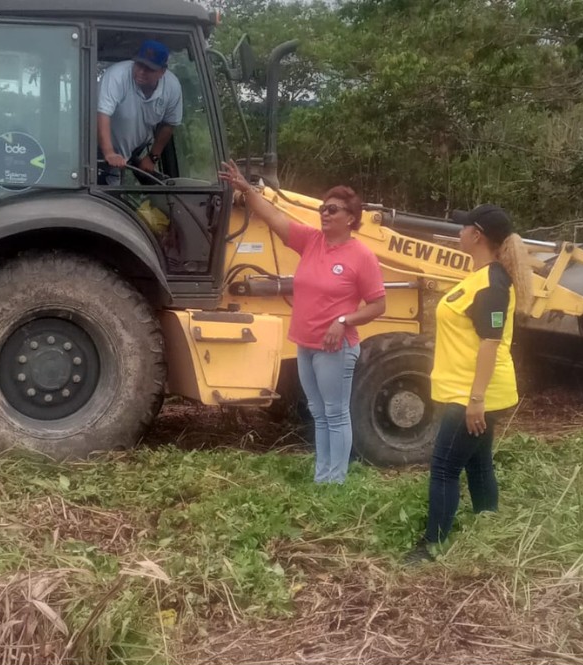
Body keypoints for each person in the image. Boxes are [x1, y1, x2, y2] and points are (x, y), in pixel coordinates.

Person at [219, 160, 386, 483]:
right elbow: (273, 217)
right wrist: (246, 189)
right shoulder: (311, 241)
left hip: (335, 348)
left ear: (351, 218)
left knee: (335, 413)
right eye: (323, 208)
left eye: (333, 209)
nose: (325, 213)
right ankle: (323, 476)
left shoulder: (361, 256)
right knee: (318, 413)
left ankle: (335, 480)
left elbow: (378, 305)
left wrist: (343, 320)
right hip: (306, 344)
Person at [404, 204, 533, 563]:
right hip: (466, 389)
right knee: (478, 462)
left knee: (444, 468)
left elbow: (490, 342)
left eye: (462, 227)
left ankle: (431, 546)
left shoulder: (492, 283)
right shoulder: (479, 277)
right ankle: (487, 527)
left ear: (476, 235)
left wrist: (476, 399)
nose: (457, 232)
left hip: (474, 394)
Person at [97, 40, 183, 185]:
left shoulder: (172, 88)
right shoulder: (116, 76)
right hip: (98, 147)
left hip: (135, 149)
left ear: (162, 71)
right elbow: (102, 114)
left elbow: (169, 124)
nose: (141, 72)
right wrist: (109, 153)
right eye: (139, 65)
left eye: (149, 69)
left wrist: (152, 157)